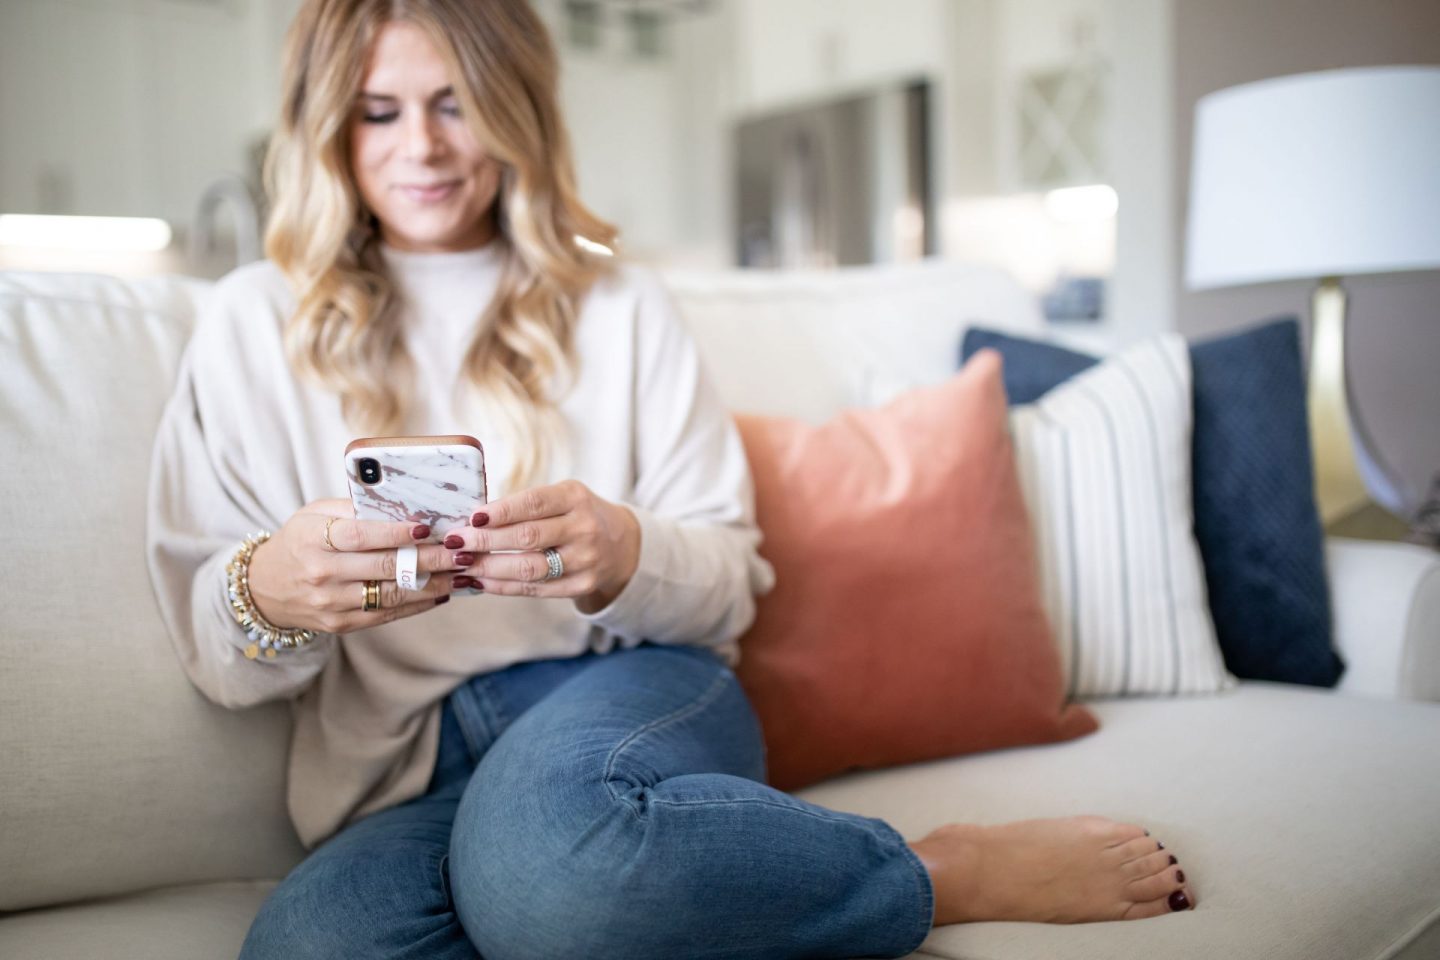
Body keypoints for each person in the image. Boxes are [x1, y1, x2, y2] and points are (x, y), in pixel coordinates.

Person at [145, 1, 1196, 957]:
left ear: (514, 108)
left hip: (621, 686)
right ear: (329, 125)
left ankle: (935, 870)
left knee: (554, 866)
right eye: (378, 112)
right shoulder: (250, 322)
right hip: (406, 762)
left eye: (454, 104)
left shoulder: (621, 307)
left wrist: (625, 552)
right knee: (312, 946)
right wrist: (268, 590)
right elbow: (216, 649)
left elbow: (732, 582)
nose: (420, 146)